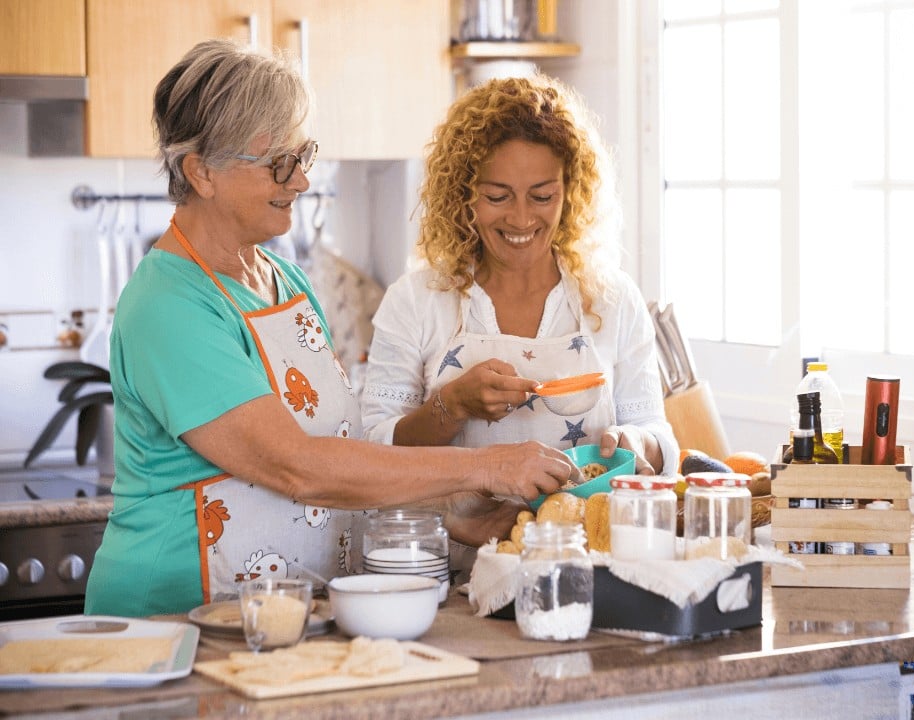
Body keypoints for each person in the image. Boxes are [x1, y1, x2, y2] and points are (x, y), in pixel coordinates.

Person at [83, 40, 576, 618]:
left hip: (280, 616)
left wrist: (451, 512)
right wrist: (489, 465)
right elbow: (298, 466)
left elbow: (343, 454)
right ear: (200, 172)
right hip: (175, 622)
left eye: (304, 154)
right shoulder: (169, 305)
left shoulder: (285, 280)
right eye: (277, 164)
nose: (300, 181)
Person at [360, 73, 679, 569]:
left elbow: (653, 430)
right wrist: (452, 406)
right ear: (465, 193)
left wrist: (641, 445)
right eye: (498, 195)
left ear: (569, 192)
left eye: (542, 195)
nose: (521, 219)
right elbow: (373, 456)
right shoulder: (417, 301)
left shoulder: (612, 300)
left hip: (583, 570)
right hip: (448, 576)